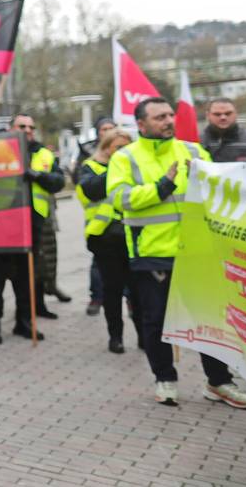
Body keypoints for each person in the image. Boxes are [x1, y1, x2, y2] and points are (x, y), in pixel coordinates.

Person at [108, 97, 246, 409]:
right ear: (141, 124)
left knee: (210, 319)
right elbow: (120, 199)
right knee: (156, 320)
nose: (168, 121)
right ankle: (165, 379)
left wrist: (204, 180)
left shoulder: (193, 151)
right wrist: (162, 186)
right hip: (152, 252)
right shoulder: (125, 157)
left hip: (198, 250)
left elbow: (219, 192)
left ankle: (219, 382)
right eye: (160, 117)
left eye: (169, 115)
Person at [0, 113, 64, 345]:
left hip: (30, 228)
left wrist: (38, 176)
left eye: (31, 127)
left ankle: (24, 322)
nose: (27, 130)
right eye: (22, 126)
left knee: (26, 280)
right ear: (11, 128)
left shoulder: (44, 154)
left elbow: (58, 182)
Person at [76, 129, 142, 354]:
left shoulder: (135, 167)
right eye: (118, 148)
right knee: (112, 292)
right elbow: (91, 191)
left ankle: (144, 337)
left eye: (127, 148)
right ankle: (116, 337)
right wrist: (119, 168)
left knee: (138, 292)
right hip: (105, 239)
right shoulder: (90, 168)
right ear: (105, 148)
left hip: (134, 236)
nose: (123, 152)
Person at [76, 117, 117, 317]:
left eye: (112, 128)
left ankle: (130, 301)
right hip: (100, 222)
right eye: (104, 129)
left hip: (124, 221)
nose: (108, 132)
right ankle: (96, 297)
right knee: (99, 266)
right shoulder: (89, 159)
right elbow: (85, 188)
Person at [201, 97, 246, 164]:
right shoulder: (198, 143)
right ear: (208, 115)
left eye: (228, 113)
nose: (223, 117)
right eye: (217, 114)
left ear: (236, 113)